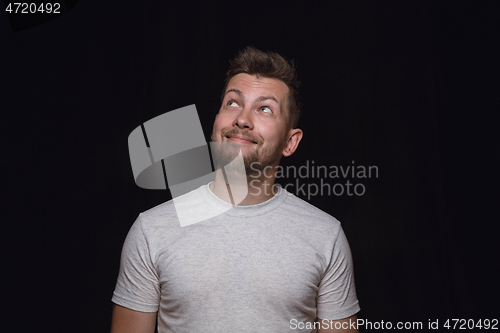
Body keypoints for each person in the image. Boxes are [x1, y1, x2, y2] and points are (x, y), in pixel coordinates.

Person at [110, 46, 360, 333]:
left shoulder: (325, 235)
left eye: (265, 108)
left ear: (290, 142)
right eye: (232, 103)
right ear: (214, 125)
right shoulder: (151, 230)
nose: (242, 119)